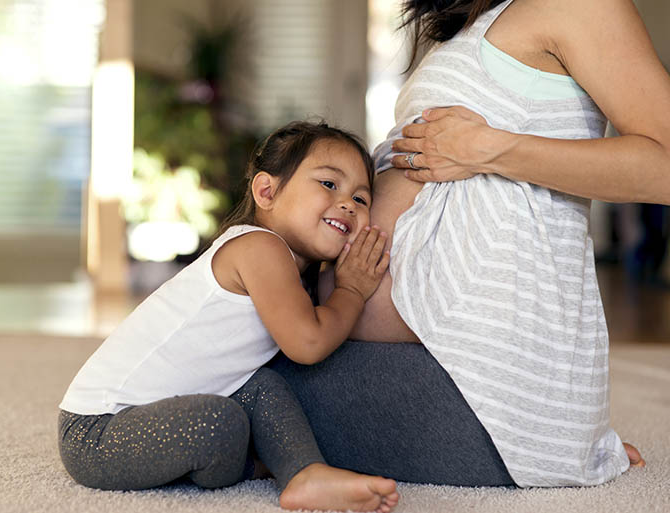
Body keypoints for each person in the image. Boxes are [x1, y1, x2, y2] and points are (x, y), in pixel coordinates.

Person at [272, 0, 657, 488]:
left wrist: (488, 148)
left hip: (471, 391)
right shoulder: (478, 19)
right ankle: (547, 434)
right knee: (225, 345)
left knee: (239, 383)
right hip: (446, 371)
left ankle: (539, 436)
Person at [58, 121, 400, 513]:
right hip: (96, 432)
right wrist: (352, 290)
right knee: (220, 423)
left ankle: (305, 472)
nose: (347, 204)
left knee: (262, 386)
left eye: (361, 198)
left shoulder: (287, 265)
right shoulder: (259, 248)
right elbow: (308, 344)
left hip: (148, 416)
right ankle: (258, 464)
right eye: (328, 184)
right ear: (266, 191)